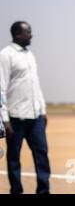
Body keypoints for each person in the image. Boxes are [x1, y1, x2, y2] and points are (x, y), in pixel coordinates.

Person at [0, 21, 51, 194]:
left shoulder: (30, 54)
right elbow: (1, 89)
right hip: (15, 118)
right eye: (27, 32)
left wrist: (42, 111)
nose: (31, 35)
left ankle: (43, 191)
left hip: (35, 117)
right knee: (14, 158)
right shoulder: (6, 55)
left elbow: (35, 85)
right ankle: (16, 190)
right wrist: (4, 120)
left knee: (42, 154)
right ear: (16, 34)